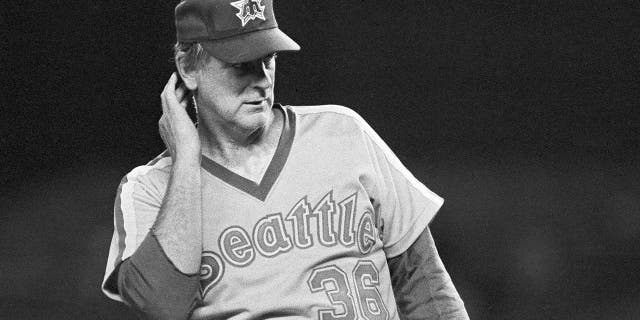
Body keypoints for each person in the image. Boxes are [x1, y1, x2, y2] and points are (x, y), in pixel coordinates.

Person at [101, 0, 469, 319]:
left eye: (268, 59)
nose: (260, 79)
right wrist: (185, 159)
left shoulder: (343, 133)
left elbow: (424, 283)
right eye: (240, 64)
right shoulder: (147, 188)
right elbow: (161, 307)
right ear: (188, 67)